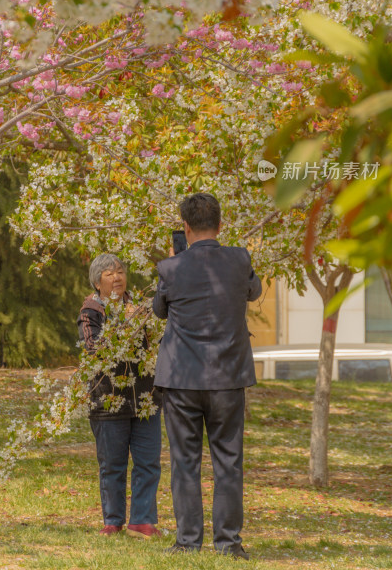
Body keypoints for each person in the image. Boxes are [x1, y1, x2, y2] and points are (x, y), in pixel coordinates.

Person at [153, 193, 262, 560]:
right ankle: (229, 543)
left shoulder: (170, 267)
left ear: (185, 227)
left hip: (182, 377)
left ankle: (187, 542)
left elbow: (158, 310)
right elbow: (253, 290)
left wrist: (173, 263)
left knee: (185, 462)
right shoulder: (239, 258)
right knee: (228, 461)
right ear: (221, 224)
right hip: (228, 376)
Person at [78, 253, 162, 538]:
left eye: (121, 272)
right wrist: (125, 325)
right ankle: (113, 520)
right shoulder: (91, 311)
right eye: (109, 273)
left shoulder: (141, 308)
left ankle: (142, 520)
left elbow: (155, 344)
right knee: (112, 464)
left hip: (144, 398)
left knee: (148, 462)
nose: (117, 277)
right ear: (97, 281)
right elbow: (94, 348)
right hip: (107, 399)